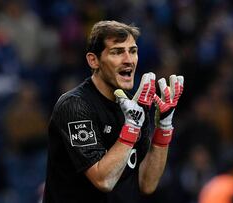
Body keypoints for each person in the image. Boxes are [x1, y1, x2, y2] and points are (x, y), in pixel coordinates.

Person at [43, 20, 184, 203]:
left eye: (132, 51)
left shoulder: (135, 105)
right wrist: (131, 126)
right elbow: (104, 180)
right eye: (117, 52)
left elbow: (146, 183)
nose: (128, 60)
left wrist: (164, 127)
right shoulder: (74, 106)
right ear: (93, 60)